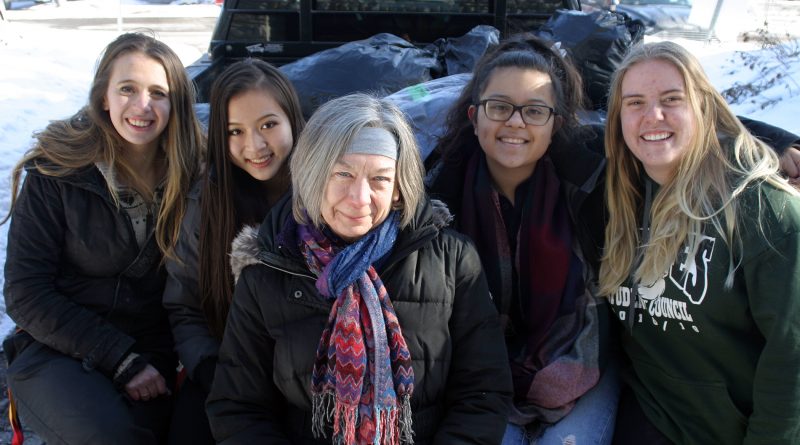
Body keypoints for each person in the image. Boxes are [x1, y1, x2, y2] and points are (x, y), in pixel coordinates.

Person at [206, 93, 513, 444]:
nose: (359, 197)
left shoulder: (452, 260)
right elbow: (238, 407)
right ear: (312, 175)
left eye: (380, 179)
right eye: (343, 173)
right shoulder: (268, 270)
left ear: (399, 189)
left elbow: (484, 394)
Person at [2, 32, 203, 444]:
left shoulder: (194, 175)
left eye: (158, 93)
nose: (141, 106)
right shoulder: (57, 171)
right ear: (104, 97)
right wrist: (121, 360)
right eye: (127, 88)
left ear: (176, 104)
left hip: (153, 349)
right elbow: (24, 291)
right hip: (58, 348)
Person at [599, 41, 800, 444]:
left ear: (703, 107)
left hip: (735, 430)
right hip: (651, 415)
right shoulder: (617, 195)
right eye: (634, 103)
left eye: (672, 99)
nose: (652, 115)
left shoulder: (765, 211)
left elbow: (792, 362)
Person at [425, 34, 618, 445]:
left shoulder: (591, 184)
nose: (515, 122)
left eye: (534, 110)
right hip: (476, 372)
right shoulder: (440, 195)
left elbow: (670, 133)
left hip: (582, 360)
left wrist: (776, 145)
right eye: (500, 107)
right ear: (475, 118)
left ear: (556, 124)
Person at [163, 58, 304, 444]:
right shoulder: (206, 201)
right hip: (226, 366)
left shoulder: (327, 192)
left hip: (309, 378)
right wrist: (211, 367)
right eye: (235, 132)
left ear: (293, 117)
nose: (254, 146)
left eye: (268, 125)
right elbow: (184, 303)